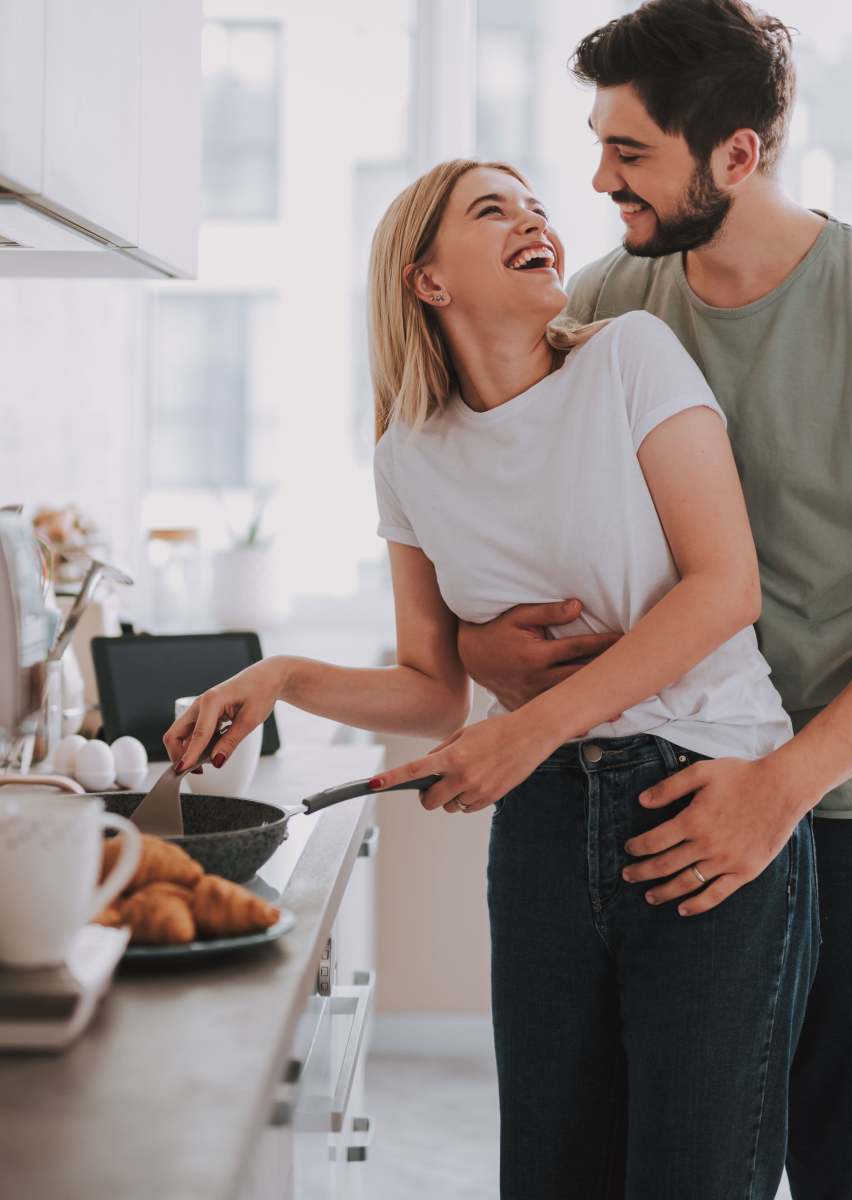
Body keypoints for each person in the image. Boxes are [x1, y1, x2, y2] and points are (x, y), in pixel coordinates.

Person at [165, 158, 817, 1199]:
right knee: (552, 1171)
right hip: (545, 829)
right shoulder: (409, 454)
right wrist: (283, 673)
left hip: (703, 792)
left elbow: (723, 589)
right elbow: (430, 686)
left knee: (693, 1174)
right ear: (427, 280)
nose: (535, 221)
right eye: (492, 209)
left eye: (535, 208)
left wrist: (523, 730)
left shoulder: (629, 361)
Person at [452, 3, 852, 1198]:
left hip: (840, 807)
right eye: (598, 145)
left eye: (631, 152)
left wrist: (780, 788)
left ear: (737, 154)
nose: (596, 179)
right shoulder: (605, 303)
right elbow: (498, 495)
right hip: (656, 798)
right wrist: (472, 638)